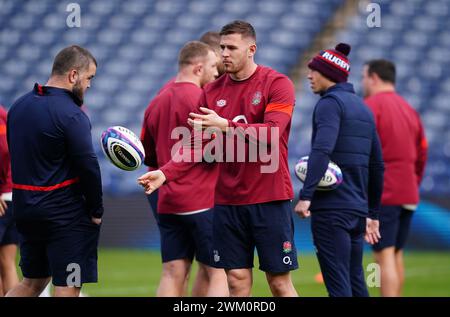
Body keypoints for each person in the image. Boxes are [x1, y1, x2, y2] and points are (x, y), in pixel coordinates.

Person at [139, 20, 299, 297]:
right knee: (235, 279)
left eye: (232, 48)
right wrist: (166, 172)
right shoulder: (210, 92)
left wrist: (225, 125)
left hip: (269, 196)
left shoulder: (277, 83)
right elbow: (198, 144)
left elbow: (272, 135)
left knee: (279, 282)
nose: (224, 53)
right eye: (222, 47)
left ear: (251, 49)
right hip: (227, 200)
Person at [5, 45, 103, 297]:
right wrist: (95, 209)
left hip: (26, 210)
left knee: (31, 283)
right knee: (67, 284)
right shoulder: (72, 115)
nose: (89, 85)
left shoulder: (18, 107)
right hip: (64, 215)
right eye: (89, 78)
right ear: (73, 75)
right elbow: (88, 165)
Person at [294, 43, 385, 297]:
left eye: (314, 71)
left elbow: (322, 149)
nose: (309, 76)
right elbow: (378, 165)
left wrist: (307, 195)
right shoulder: (364, 109)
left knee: (338, 286)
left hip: (332, 211)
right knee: (356, 282)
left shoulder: (329, 104)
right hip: (357, 212)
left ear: (329, 74)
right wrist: (373, 213)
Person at [141, 41, 228, 297]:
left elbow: (148, 153)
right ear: (199, 68)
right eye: (213, 67)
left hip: (168, 201)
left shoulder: (156, 101)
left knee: (172, 271)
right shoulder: (203, 101)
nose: (216, 73)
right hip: (202, 199)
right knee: (218, 271)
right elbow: (213, 150)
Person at [362, 59, 428, 297]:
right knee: (396, 253)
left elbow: (363, 151)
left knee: (384, 254)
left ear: (374, 78)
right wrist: (413, 183)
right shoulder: (409, 109)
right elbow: (422, 153)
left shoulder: (370, 107)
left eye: (364, 77)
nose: (363, 82)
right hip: (408, 191)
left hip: (385, 193)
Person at [0, 105, 20, 296]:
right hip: (14, 195)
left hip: (3, 196)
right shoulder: (6, 114)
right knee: (7, 263)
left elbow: (3, 151)